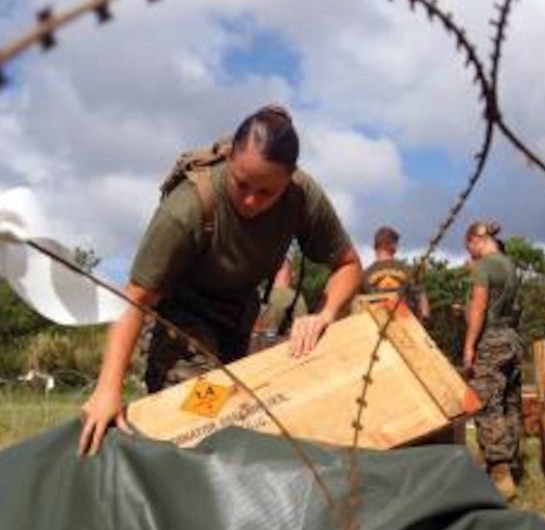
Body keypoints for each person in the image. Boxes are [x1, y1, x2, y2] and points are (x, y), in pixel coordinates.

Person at [79, 105, 363, 456]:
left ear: (290, 178)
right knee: (201, 419)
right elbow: (133, 300)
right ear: (229, 159)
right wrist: (108, 389)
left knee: (250, 419)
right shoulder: (189, 207)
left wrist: (325, 314)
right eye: (241, 184)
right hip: (180, 320)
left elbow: (348, 264)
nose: (250, 201)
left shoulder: (303, 197)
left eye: (266, 192)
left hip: (238, 318)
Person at [461, 220, 522, 501]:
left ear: (476, 240)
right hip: (511, 337)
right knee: (509, 403)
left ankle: (500, 476)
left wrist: (469, 346)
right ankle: (511, 463)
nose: (469, 254)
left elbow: (480, 306)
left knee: (487, 404)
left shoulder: (484, 266)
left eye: (469, 247)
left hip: (491, 341)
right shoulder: (510, 266)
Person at [360, 225, 431, 325]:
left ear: (375, 246)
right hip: (406, 326)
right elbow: (423, 305)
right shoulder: (408, 270)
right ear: (393, 245)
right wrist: (424, 322)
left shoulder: (365, 275)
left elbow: (357, 306)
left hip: (376, 329)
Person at [250, 256, 308, 353]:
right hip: (282, 355)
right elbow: (302, 333)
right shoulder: (296, 299)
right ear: (292, 274)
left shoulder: (256, 296)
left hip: (252, 355)